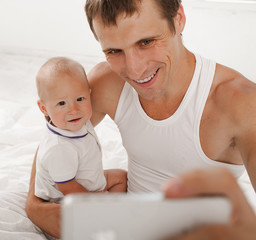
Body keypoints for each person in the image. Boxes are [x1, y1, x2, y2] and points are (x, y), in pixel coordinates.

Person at [26, 0, 256, 238]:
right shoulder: (107, 83)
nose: (134, 70)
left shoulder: (242, 103)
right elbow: (57, 135)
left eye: (146, 42)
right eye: (114, 51)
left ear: (178, 19)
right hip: (125, 225)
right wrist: (35, 206)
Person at [34, 57, 127, 238]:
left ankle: (110, 212)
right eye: (61, 103)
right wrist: (96, 199)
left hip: (86, 179)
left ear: (89, 94)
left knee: (121, 177)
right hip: (64, 199)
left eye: (80, 98)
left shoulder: (76, 122)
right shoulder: (59, 147)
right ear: (43, 108)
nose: (74, 109)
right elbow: (67, 188)